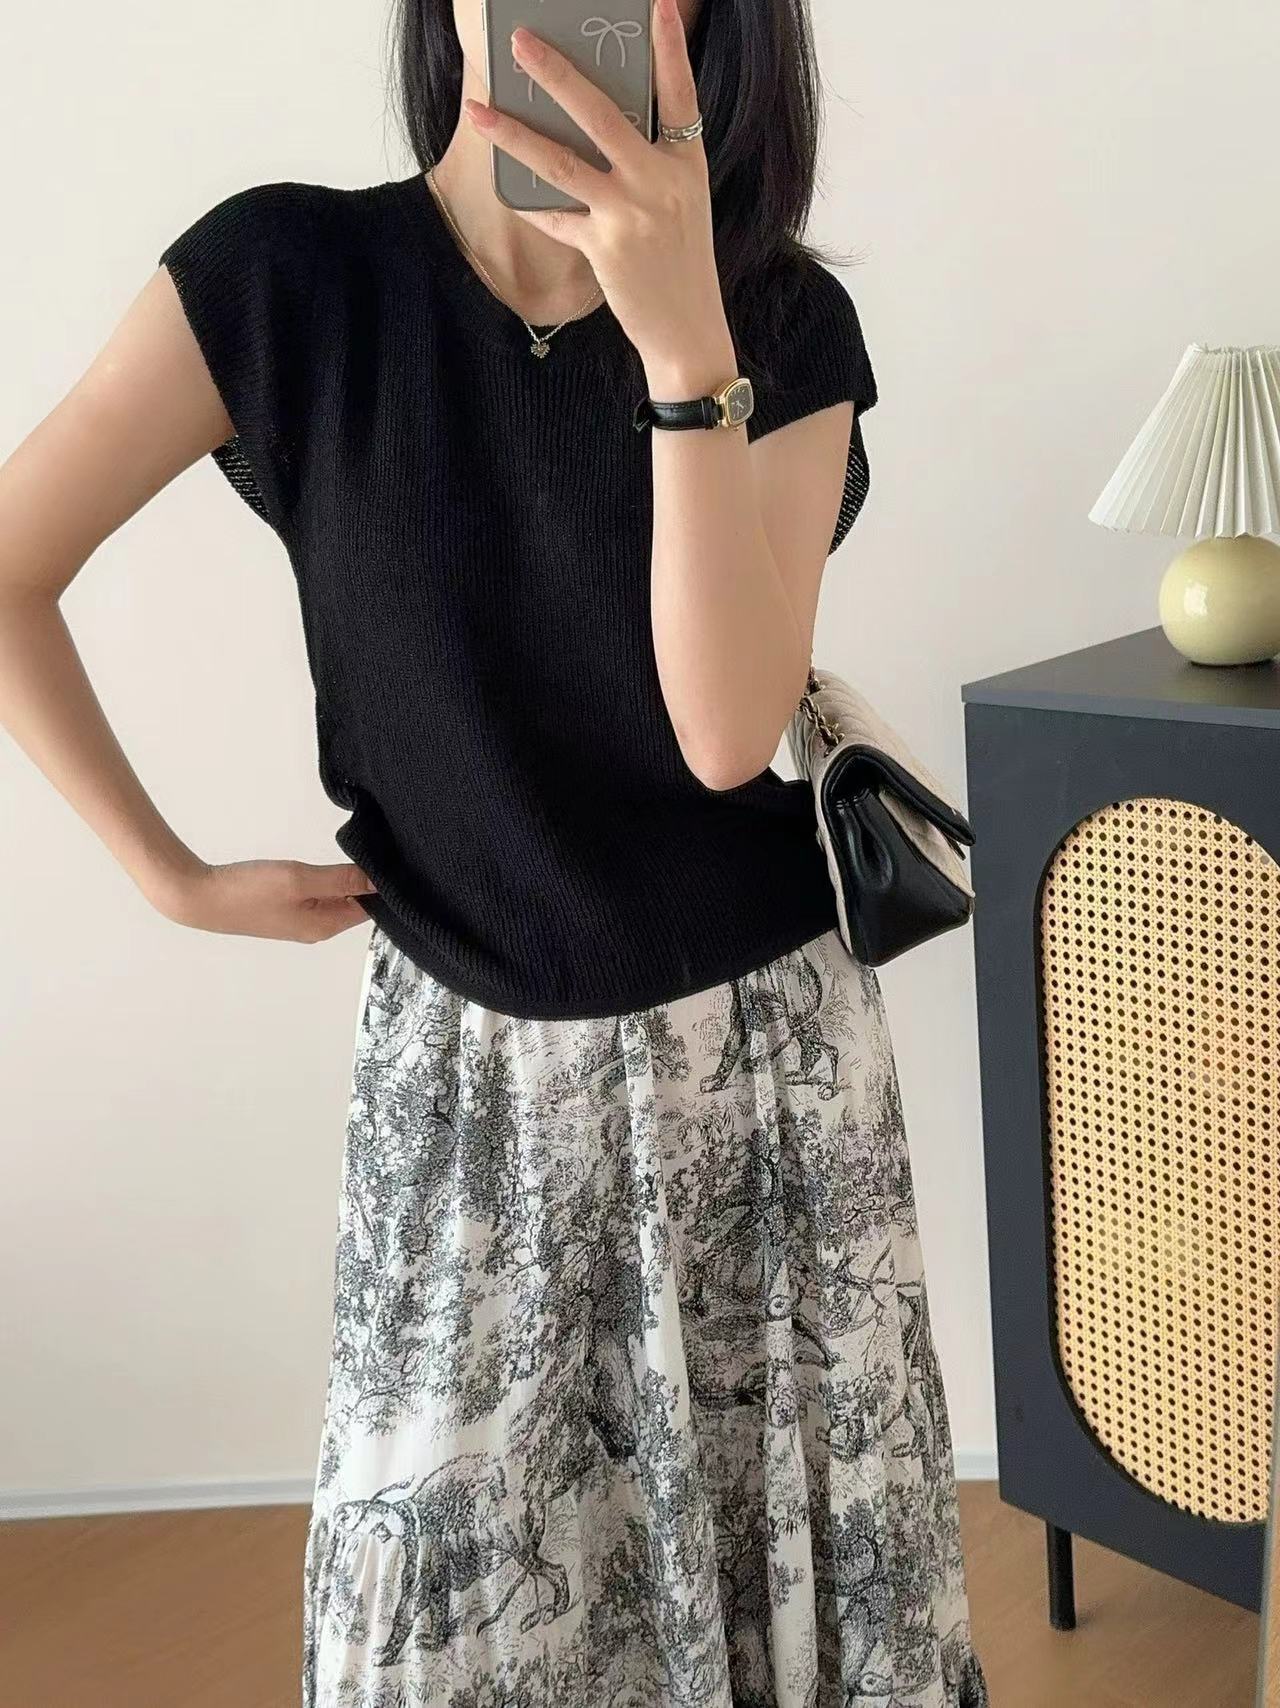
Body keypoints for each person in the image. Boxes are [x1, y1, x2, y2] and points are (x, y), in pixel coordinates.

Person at [0, 0, 989, 1701]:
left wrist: (682, 348)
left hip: (755, 1078)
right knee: (442, 1635)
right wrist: (171, 879)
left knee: (793, 1614)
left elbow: (724, 733)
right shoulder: (282, 280)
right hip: (462, 1079)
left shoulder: (775, 319)